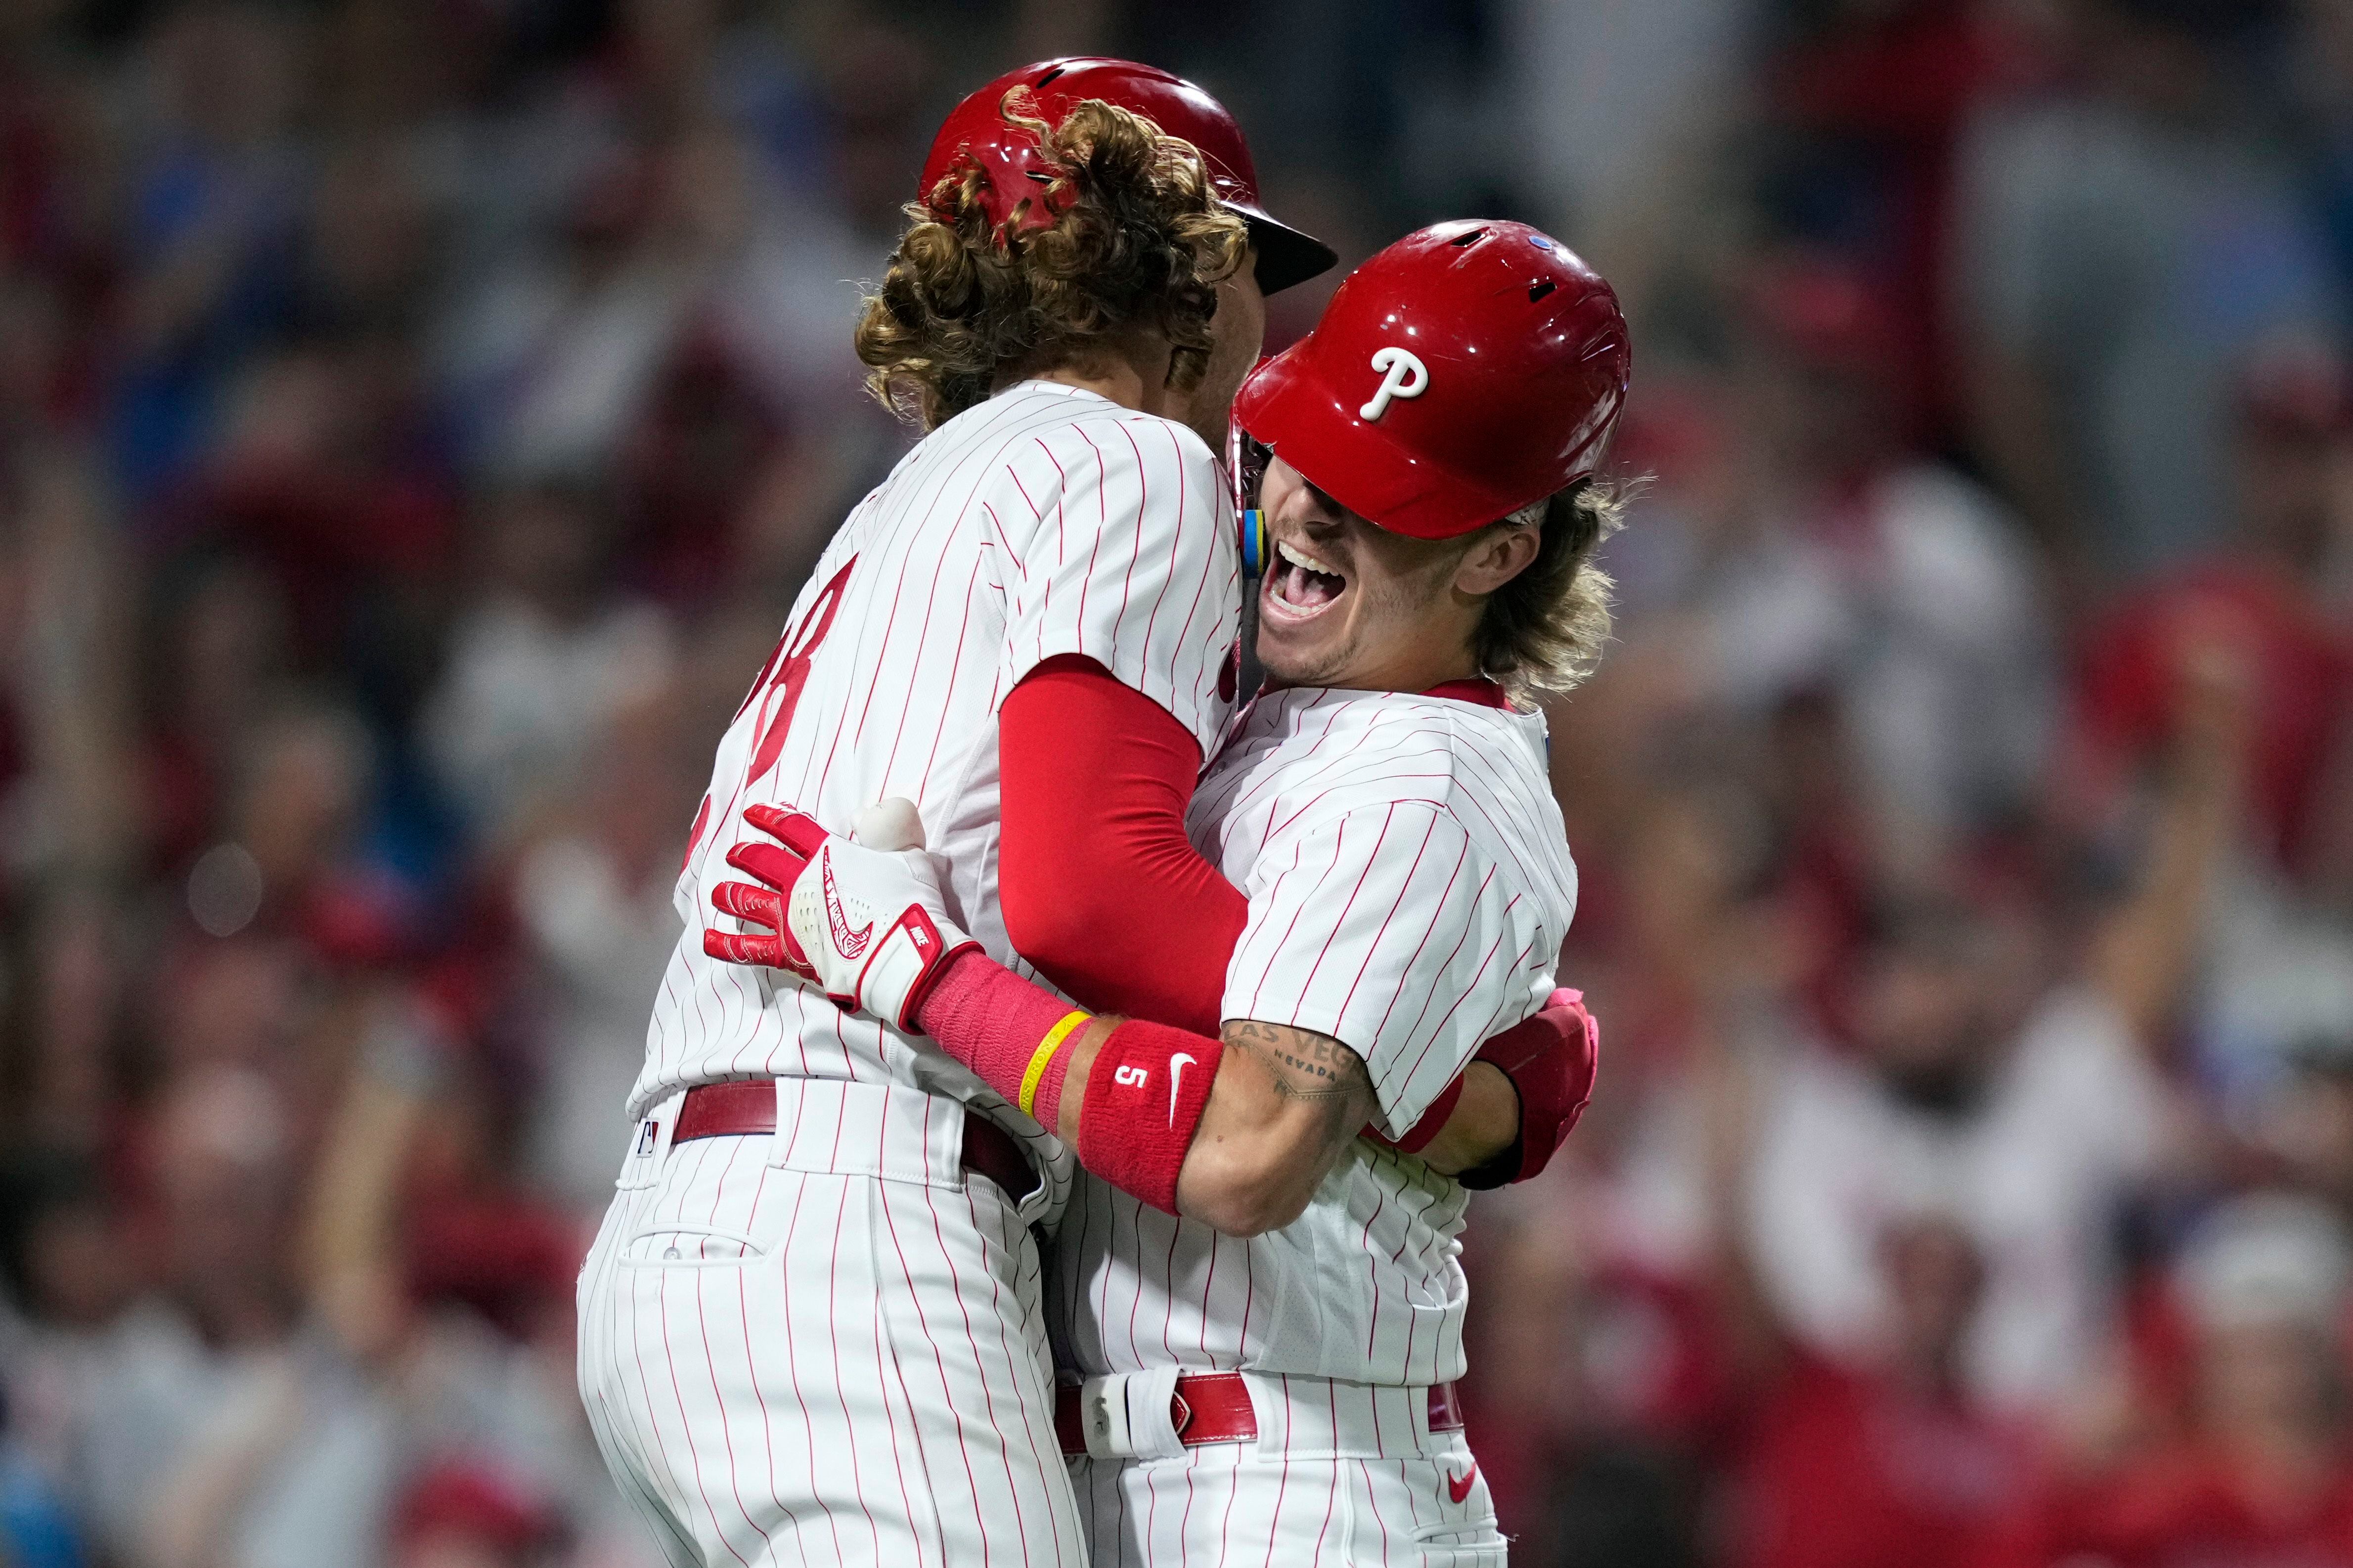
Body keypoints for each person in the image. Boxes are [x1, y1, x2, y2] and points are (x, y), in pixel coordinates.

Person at [702, 219, 1629, 1566]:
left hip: (1299, 1489)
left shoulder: (1430, 771)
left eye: (1385, 490)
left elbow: (1248, 1154)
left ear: (1498, 553)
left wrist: (917, 968)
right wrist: (1465, 1095)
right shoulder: (1287, 714)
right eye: (1311, 443)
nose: (1310, 500)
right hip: (1162, 1472)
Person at [574, 58, 1338, 1568]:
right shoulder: (1131, 457)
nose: (1264, 314)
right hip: (856, 1221)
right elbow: (1088, 886)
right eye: (1246, 260)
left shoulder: (910, 496)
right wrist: (1376, 1020)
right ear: (1168, 264)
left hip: (707, 1231)